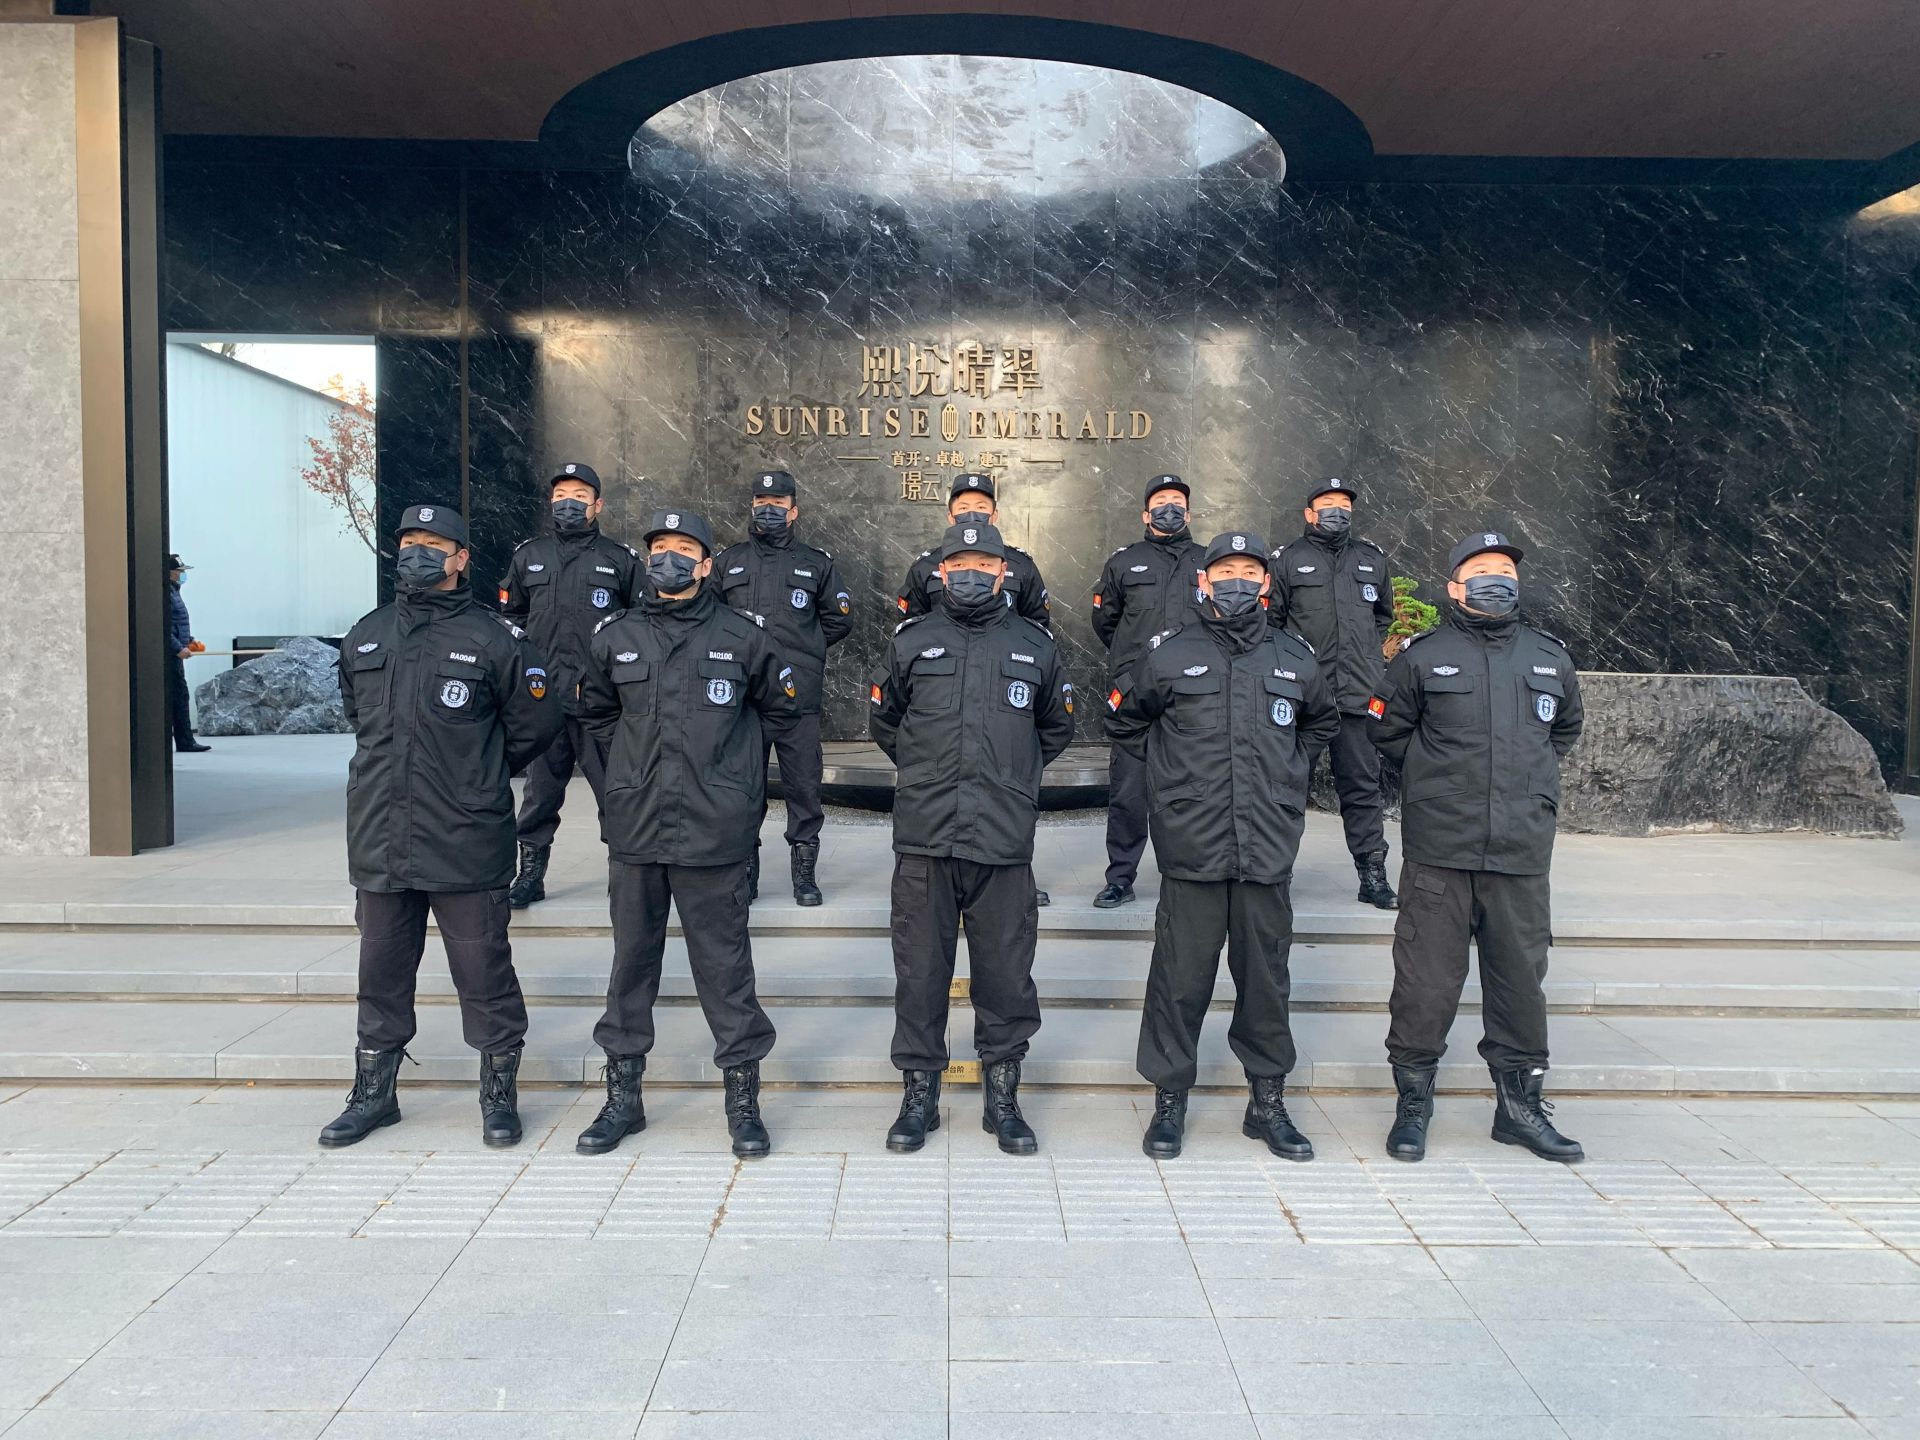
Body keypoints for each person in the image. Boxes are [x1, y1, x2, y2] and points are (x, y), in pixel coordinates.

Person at [321, 504, 563, 1150]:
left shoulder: (494, 640)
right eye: (409, 541)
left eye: (433, 543)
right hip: (381, 836)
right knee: (380, 972)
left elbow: (535, 726)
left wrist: (477, 773)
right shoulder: (367, 635)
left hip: (465, 837)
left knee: (484, 972)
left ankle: (498, 1096)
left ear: (461, 558)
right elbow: (359, 717)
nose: (418, 553)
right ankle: (374, 1094)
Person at [1106, 531, 1339, 1160]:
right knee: (1179, 981)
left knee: (1266, 982)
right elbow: (1127, 721)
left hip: (1266, 845)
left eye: (1249, 572)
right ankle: (1169, 1101)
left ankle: (1267, 1103)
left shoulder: (1293, 656)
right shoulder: (1169, 654)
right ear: (1204, 582)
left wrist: (1287, 775)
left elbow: (1320, 722)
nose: (1237, 581)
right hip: (1193, 844)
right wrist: (1172, 782)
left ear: (1265, 584)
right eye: (1225, 571)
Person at [574, 508, 796, 1159]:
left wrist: (735, 784)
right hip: (637, 830)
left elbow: (779, 715)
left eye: (682, 549)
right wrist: (629, 775)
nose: (668, 559)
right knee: (630, 968)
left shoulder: (744, 637)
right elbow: (596, 714)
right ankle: (623, 1099)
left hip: (713, 833)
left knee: (725, 971)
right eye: (659, 548)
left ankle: (743, 1102)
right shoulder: (617, 636)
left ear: (706, 564)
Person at [1368, 530, 1586, 1164]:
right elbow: (1388, 730)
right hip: (1441, 849)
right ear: (1455, 588)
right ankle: (1413, 1107)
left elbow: (1562, 732)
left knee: (1520, 986)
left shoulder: (1548, 658)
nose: (1497, 580)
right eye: (1483, 570)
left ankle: (1519, 1110)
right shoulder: (1423, 656)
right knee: (1424, 986)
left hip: (1520, 852)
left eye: (1505, 572)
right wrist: (1439, 779)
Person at [870, 521, 1074, 1155]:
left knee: (1006, 975)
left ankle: (1002, 1099)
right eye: (959, 562)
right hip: (925, 835)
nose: (971, 573)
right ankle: (919, 1098)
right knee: (920, 973)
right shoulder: (912, 640)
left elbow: (1055, 729)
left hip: (1002, 837)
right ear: (940, 570)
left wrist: (1010, 774)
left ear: (1003, 572)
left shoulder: (1033, 645)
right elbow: (886, 721)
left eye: (984, 564)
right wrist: (930, 770)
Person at [896, 472, 1059, 905]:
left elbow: (1053, 723)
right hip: (940, 716)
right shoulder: (924, 567)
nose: (974, 513)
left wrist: (1016, 750)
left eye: (982, 507)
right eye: (964, 507)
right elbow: (891, 715)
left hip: (1004, 691)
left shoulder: (1022, 565)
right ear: (950, 514)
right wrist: (925, 748)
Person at [499, 462, 644, 908]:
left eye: (580, 496)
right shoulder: (529, 556)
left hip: (599, 701)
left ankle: (625, 875)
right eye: (562, 495)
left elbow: (640, 626)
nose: (569, 504)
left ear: (598, 505)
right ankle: (530, 874)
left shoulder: (619, 560)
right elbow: (512, 621)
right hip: (546, 702)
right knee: (540, 794)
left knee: (616, 793)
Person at [714, 469, 852, 906]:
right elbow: (709, 618)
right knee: (744, 790)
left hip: (798, 700)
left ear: (794, 511)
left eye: (777, 503)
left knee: (803, 789)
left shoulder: (816, 563)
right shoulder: (728, 561)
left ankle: (804, 875)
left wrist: (804, 652)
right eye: (761, 502)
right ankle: (746, 871)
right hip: (744, 701)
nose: (768, 509)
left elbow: (838, 620)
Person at [1268, 481, 1399, 909]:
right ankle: (1275, 872)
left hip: (1358, 694)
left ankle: (1372, 875)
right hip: (1302, 698)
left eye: (1344, 505)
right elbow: (1271, 624)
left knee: (1362, 788)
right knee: (1285, 787)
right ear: (1309, 514)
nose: (1337, 511)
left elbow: (1381, 619)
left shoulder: (1371, 559)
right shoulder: (1287, 560)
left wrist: (1361, 657)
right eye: (1328, 505)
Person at [1089, 475, 1209, 908]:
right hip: (1136, 695)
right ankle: (1120, 877)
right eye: (1161, 501)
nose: (1169, 508)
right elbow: (1106, 623)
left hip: (1194, 692)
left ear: (1188, 514)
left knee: (1195, 789)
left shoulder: (1209, 560)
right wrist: (1132, 664)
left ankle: (1192, 876)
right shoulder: (1124, 562)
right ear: (1145, 514)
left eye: (1177, 501)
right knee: (1129, 791)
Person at [166, 554, 211, 753]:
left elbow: (178, 623)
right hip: (170, 655)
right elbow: (163, 626)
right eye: (180, 571)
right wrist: (178, 648)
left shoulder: (174, 591)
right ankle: (185, 742)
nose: (182, 575)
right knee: (178, 697)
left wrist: (189, 641)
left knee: (180, 696)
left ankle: (185, 741)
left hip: (176, 652)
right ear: (170, 572)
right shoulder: (165, 593)